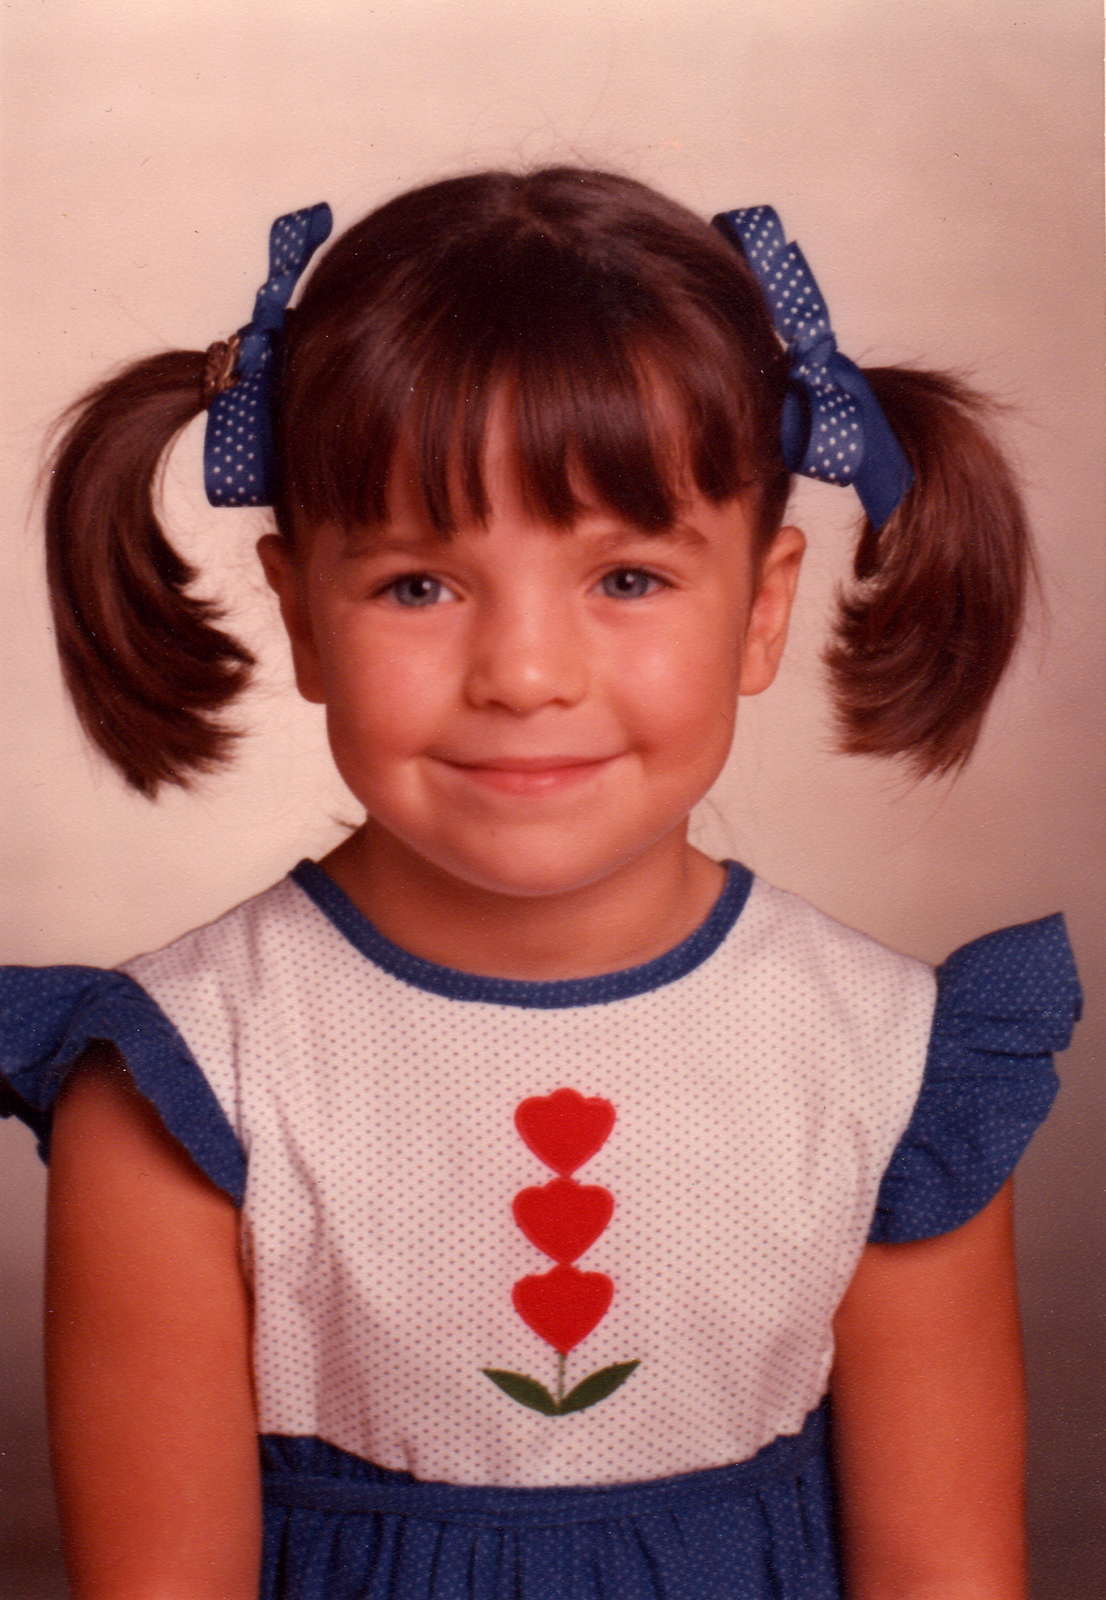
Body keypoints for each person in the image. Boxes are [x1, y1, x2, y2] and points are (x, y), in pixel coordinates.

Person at [0, 168, 1082, 1600]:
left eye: (626, 579)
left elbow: (947, 1572)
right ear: (301, 616)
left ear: (760, 610)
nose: (521, 674)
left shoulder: (885, 1068)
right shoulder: (187, 1074)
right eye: (417, 586)